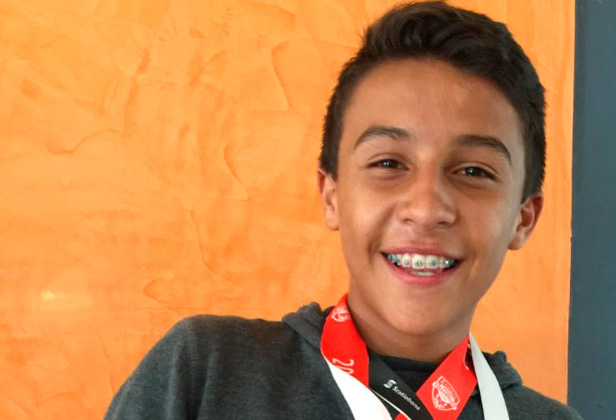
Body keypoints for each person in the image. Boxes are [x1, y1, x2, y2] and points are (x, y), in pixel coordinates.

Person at [104, 1, 582, 419]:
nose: (425, 209)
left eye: (474, 171)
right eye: (388, 163)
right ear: (331, 195)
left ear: (523, 218)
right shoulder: (205, 373)